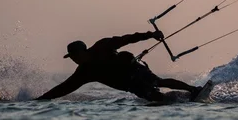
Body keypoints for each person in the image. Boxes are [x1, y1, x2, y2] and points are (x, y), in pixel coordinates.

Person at [36, 30, 202, 102]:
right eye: (71, 58)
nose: (73, 60)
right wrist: (39, 100)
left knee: (157, 82)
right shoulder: (84, 72)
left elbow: (127, 38)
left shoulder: (102, 46)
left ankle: (193, 90)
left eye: (74, 56)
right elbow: (63, 88)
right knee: (155, 98)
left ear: (82, 52)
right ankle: (182, 99)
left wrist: (150, 35)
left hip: (135, 70)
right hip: (130, 85)